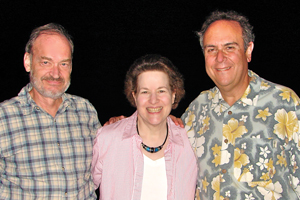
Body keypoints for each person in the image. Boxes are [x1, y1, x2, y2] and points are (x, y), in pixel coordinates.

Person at [180, 10, 300, 199]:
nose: (220, 58)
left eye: (229, 47)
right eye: (211, 49)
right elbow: (162, 150)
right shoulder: (195, 111)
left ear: (248, 50)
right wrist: (123, 127)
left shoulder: (284, 103)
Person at [0, 23, 101, 199]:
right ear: (28, 62)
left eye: (63, 64)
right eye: (46, 62)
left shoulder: (86, 111)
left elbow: (109, 159)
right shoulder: (3, 117)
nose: (55, 73)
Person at [92, 54, 197, 199]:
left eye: (161, 91)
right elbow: (82, 189)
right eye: (145, 92)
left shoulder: (191, 142)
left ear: (173, 95)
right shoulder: (107, 139)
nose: (153, 100)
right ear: (134, 96)